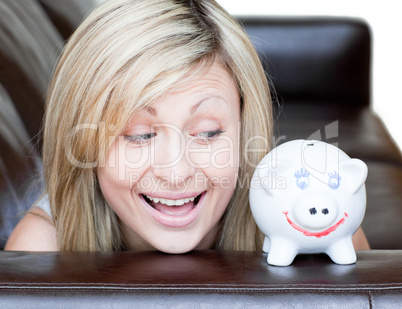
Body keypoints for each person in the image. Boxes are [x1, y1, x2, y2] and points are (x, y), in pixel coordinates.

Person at [5, 0, 370, 252]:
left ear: (245, 128)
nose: (176, 172)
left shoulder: (315, 228)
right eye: (140, 135)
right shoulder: (40, 250)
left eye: (208, 133)